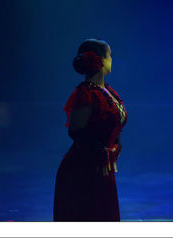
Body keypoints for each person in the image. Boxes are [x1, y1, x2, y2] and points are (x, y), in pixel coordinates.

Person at [53, 39, 127, 221]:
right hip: (84, 170)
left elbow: (115, 123)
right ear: (100, 61)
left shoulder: (108, 91)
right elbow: (76, 130)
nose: (112, 59)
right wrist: (100, 151)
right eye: (109, 56)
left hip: (103, 168)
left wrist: (115, 145)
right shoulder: (86, 93)